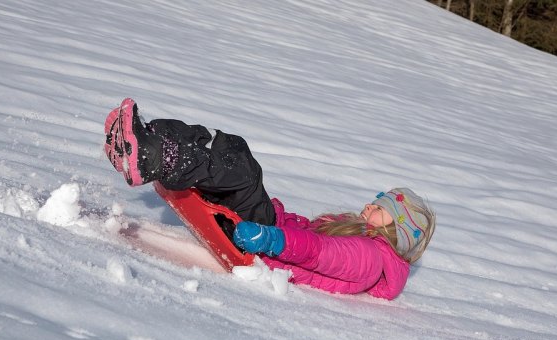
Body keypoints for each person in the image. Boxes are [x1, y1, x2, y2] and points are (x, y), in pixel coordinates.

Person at [104, 98, 436, 299]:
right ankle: (147, 140)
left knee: (244, 173)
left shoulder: (371, 257)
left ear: (398, 229)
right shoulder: (364, 241)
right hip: (269, 229)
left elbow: (318, 252)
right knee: (234, 148)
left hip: (266, 243)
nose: (369, 206)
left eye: (380, 209)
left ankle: (150, 155)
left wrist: (271, 238)